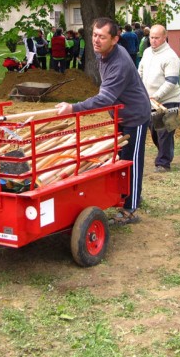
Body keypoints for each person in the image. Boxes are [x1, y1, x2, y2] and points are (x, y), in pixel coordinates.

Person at [56, 17, 151, 224]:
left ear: (115, 39)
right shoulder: (104, 54)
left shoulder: (119, 63)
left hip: (135, 116)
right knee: (119, 159)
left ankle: (131, 208)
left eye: (102, 37)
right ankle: (128, 195)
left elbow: (104, 99)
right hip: (120, 113)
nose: (96, 40)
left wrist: (73, 108)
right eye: (94, 35)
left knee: (130, 161)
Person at [139, 24, 180, 172]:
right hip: (150, 100)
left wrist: (155, 96)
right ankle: (165, 154)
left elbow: (171, 81)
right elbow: (141, 72)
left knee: (165, 133)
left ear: (164, 37)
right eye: (151, 37)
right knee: (155, 133)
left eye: (157, 38)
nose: (153, 40)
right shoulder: (147, 53)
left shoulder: (171, 56)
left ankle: (163, 163)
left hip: (169, 100)